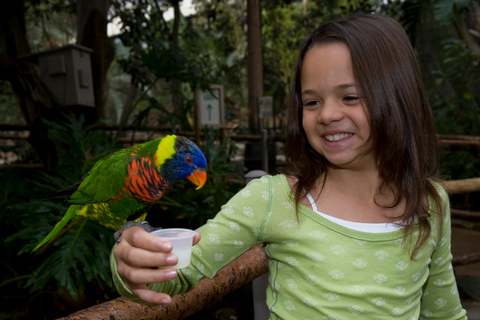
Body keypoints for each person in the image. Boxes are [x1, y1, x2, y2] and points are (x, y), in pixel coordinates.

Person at [111, 14, 468, 319]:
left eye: (350, 96)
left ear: (399, 97)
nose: (327, 114)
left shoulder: (430, 204)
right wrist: (135, 262)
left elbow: (444, 312)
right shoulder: (275, 199)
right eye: (312, 101)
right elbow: (176, 275)